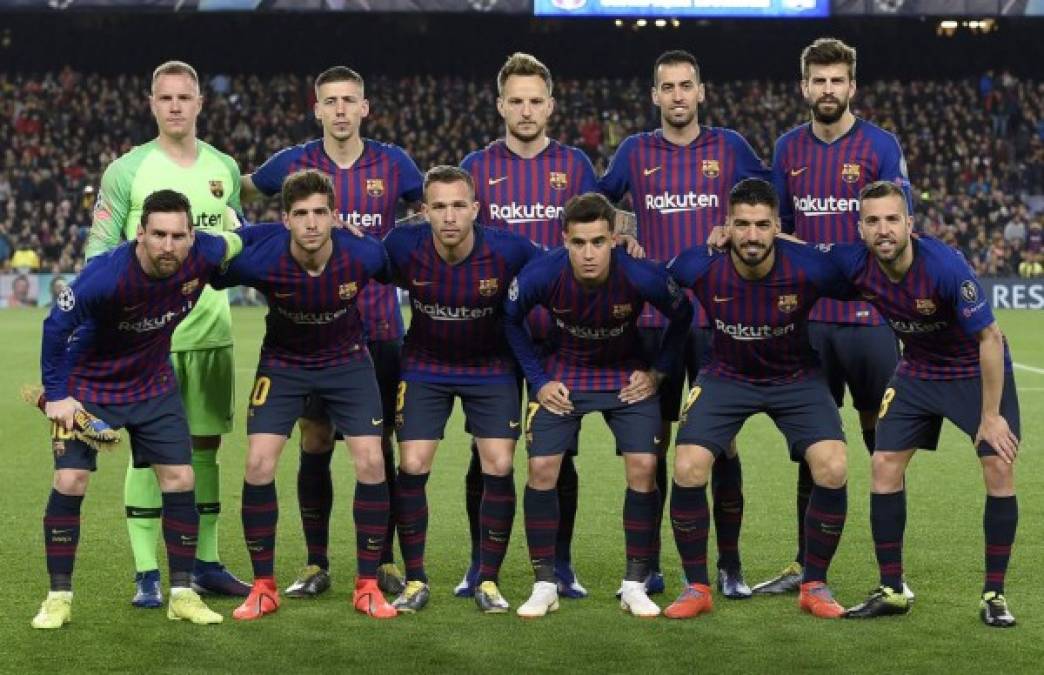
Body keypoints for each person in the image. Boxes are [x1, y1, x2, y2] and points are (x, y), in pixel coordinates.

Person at [242, 66, 423, 599]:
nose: (341, 110)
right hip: (309, 337)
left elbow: (427, 213)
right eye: (331, 101)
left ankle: (382, 559)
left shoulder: (394, 163)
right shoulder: (292, 163)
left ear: (365, 108)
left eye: (350, 100)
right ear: (316, 109)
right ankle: (315, 562)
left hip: (380, 327)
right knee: (315, 440)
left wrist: (391, 243)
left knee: (378, 447)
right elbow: (241, 187)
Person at [598, 49, 770, 597]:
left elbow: (768, 202)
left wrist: (739, 232)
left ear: (701, 92)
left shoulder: (732, 148)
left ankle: (730, 565)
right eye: (667, 86)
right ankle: (647, 565)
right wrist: (620, 230)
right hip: (652, 321)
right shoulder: (633, 151)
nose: (677, 95)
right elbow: (595, 206)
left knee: (723, 444)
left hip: (719, 322)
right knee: (652, 445)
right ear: (655, 96)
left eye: (685, 85)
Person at [31, 189, 241, 629]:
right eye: (159, 234)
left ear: (191, 236)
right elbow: (56, 325)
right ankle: (58, 597)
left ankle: (182, 593)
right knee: (70, 480)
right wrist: (56, 395)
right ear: (140, 233)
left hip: (151, 384)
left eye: (178, 236)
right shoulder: (104, 276)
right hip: (90, 384)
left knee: (181, 478)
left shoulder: (206, 251)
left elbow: (253, 239)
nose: (168, 245)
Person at [755, 37, 912, 597]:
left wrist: (826, 256)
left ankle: (891, 574)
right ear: (804, 87)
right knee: (816, 445)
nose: (827, 90)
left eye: (836, 80)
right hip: (809, 324)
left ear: (852, 86)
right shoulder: (787, 149)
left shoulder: (880, 145)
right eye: (817, 80)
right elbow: (776, 228)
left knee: (882, 447)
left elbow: (895, 229)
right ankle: (805, 567)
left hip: (870, 322)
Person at [86, 60, 248, 605]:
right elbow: (98, 250)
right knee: (144, 456)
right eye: (166, 98)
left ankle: (205, 562)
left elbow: (234, 242)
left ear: (201, 102)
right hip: (144, 342)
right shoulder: (126, 171)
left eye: (185, 97)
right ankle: (147, 573)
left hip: (209, 334)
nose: (176, 106)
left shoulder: (224, 167)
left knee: (204, 451)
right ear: (152, 104)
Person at [823, 181, 1020, 628]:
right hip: (918, 369)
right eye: (872, 221)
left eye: (892, 219)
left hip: (975, 369)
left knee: (998, 465)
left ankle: (995, 594)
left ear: (910, 224)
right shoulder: (854, 262)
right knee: (884, 463)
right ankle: (892, 589)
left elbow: (989, 338)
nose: (883, 229)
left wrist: (990, 418)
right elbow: (797, 251)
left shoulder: (945, 267)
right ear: (861, 228)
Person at [210, 169, 397, 621]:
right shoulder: (259, 259)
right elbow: (205, 269)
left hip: (348, 361)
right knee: (258, 463)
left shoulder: (365, 254)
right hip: (284, 364)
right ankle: (263, 587)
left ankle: (368, 586)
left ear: (335, 216)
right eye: (301, 214)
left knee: (371, 460)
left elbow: (415, 263)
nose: (311, 223)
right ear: (286, 219)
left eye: (320, 213)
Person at [665, 178, 853, 620]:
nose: (752, 236)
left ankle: (815, 584)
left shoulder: (808, 266)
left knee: (833, 465)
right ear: (726, 226)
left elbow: (863, 277)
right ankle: (696, 587)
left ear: (778, 227)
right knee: (688, 466)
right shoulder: (699, 265)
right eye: (743, 225)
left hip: (796, 377)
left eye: (763, 225)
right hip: (726, 374)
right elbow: (652, 283)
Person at [504, 192, 692, 619]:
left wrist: (658, 373)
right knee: (541, 469)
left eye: (598, 242)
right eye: (578, 243)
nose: (589, 253)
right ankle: (544, 584)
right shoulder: (542, 273)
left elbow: (682, 315)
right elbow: (510, 319)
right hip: (565, 374)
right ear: (564, 240)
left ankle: (635, 584)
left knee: (645, 466)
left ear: (614, 239)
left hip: (625, 376)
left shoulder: (642, 275)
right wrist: (538, 382)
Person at [457, 51, 600, 599]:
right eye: (515, 100)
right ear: (500, 105)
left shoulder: (577, 167)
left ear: (551, 106)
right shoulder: (477, 167)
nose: (525, 110)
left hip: (561, 333)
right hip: (493, 333)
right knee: (485, 452)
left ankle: (560, 565)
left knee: (557, 453)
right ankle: (479, 563)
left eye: (535, 100)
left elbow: (599, 237)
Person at [382, 166, 542, 614]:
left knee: (499, 463)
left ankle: (487, 580)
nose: (449, 216)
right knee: (412, 462)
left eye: (458, 206)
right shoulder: (402, 244)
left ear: (475, 209)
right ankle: (415, 580)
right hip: (424, 365)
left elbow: (558, 266)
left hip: (490, 367)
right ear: (424, 212)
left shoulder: (510, 250)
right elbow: (360, 260)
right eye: (439, 207)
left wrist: (623, 237)